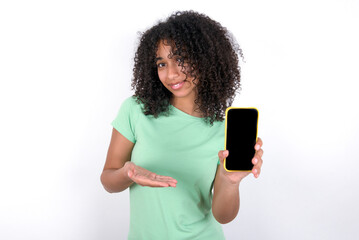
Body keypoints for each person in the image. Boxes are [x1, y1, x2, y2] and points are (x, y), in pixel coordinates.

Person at [101, 10, 264, 240]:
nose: (171, 74)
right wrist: (128, 173)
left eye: (181, 59)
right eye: (161, 64)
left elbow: (223, 215)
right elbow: (108, 180)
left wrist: (229, 181)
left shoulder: (222, 131)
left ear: (204, 58)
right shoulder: (135, 110)